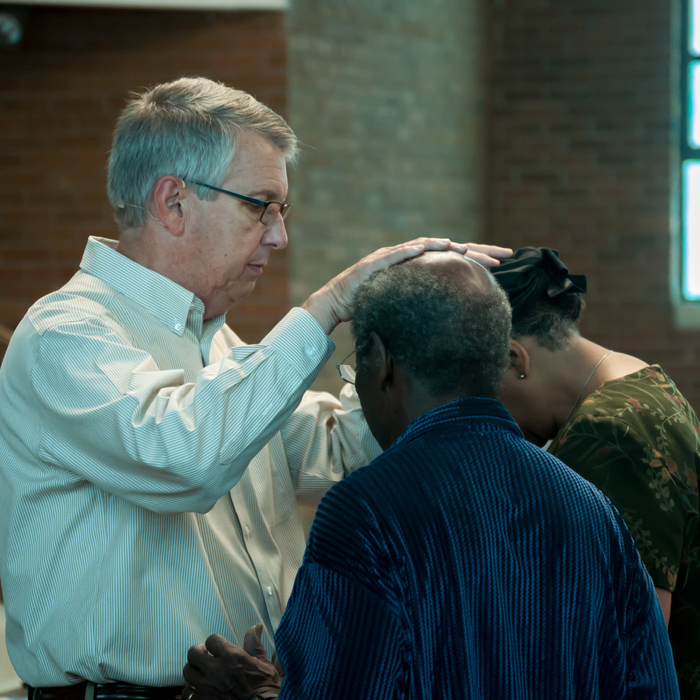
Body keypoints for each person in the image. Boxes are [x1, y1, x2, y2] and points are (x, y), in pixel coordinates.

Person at [0, 76, 509, 696]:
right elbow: (185, 455)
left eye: (282, 210)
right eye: (258, 206)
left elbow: (337, 451)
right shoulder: (66, 336)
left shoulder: (216, 341)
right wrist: (324, 309)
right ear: (173, 202)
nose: (278, 235)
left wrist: (413, 326)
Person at [183, 251, 679, 699]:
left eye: (356, 366)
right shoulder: (591, 508)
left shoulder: (365, 514)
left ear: (381, 361)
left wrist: (255, 695)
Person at [490, 246, 700, 698]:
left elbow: (626, 648)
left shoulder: (606, 433)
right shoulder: (642, 380)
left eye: (489, 393)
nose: (497, 416)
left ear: (514, 359)